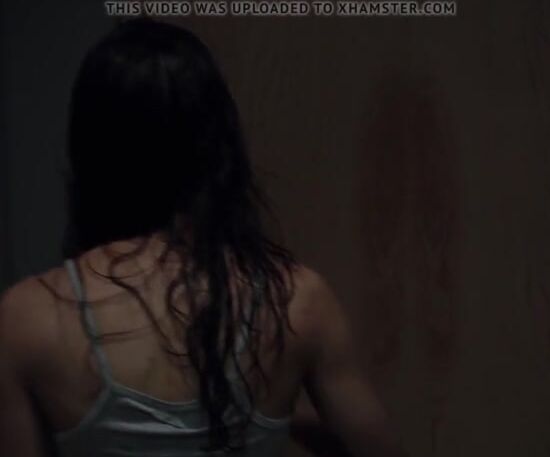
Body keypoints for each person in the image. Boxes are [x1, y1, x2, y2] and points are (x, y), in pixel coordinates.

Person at [0, 18, 405, 457]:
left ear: (89, 146)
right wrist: (283, 418)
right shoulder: (296, 301)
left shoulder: (28, 317)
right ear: (217, 143)